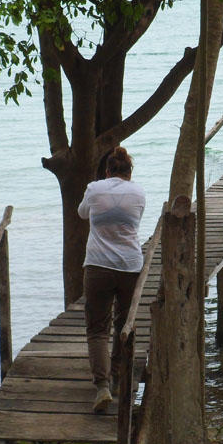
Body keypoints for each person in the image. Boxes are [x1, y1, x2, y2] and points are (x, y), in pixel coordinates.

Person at [77, 147, 146, 413]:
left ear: (107, 170)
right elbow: (134, 221)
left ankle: (102, 386)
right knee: (123, 325)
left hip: (98, 265)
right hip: (130, 265)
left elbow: (82, 213)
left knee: (97, 328)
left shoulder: (94, 189)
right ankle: (119, 378)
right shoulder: (139, 192)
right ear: (129, 172)